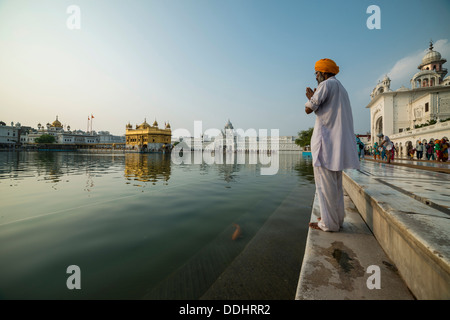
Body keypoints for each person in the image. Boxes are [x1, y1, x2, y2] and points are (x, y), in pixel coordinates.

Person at [304, 58, 360, 232]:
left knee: (324, 185)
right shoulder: (341, 88)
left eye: (316, 73)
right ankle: (336, 219)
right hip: (336, 144)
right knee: (335, 186)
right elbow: (325, 111)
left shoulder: (326, 85)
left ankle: (328, 224)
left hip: (325, 144)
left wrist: (311, 97)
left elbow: (308, 108)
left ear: (322, 73)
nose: (316, 77)